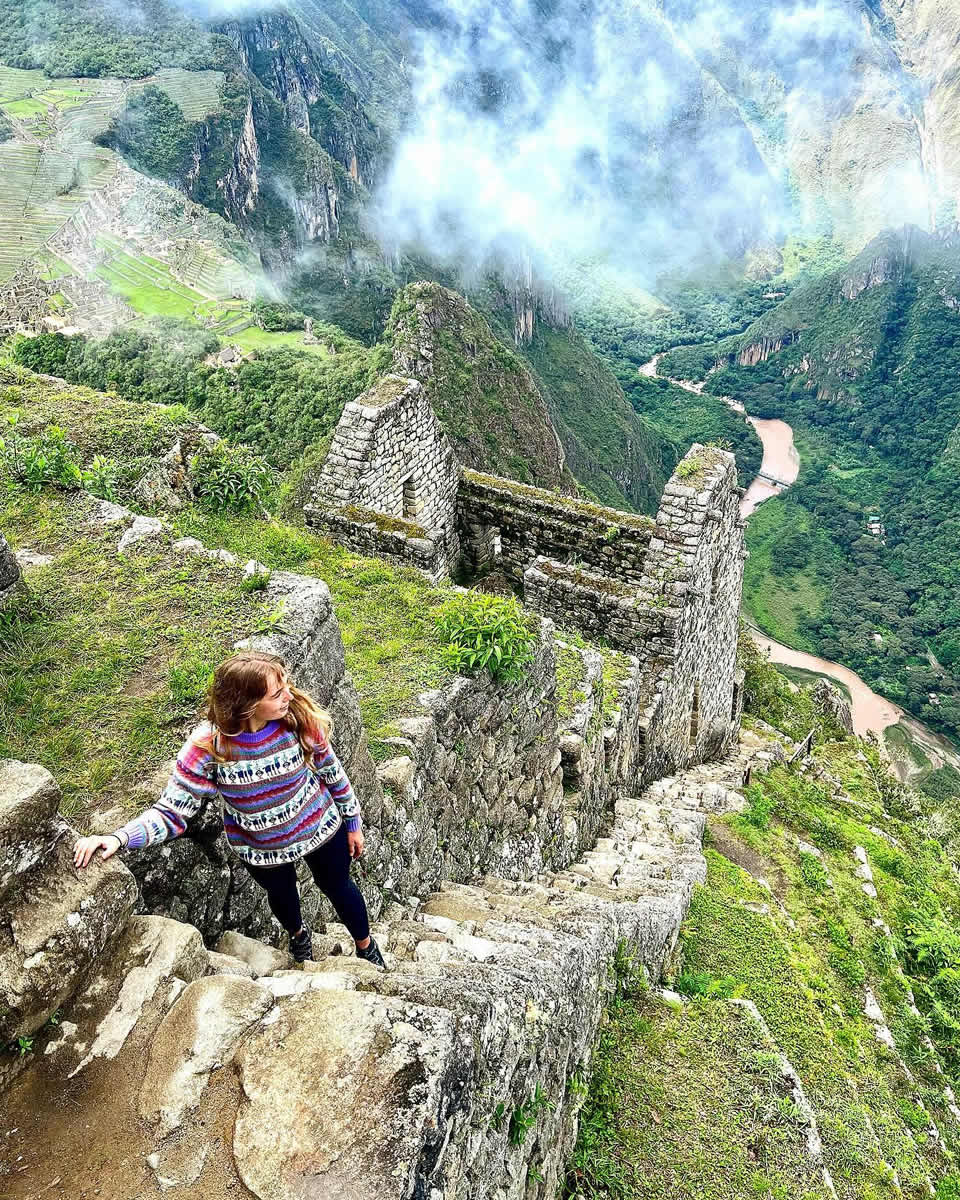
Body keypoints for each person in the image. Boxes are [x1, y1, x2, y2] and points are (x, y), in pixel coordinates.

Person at [73, 650, 385, 968]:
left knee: (339, 886)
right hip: (261, 848)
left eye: (286, 685)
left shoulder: (296, 722)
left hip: (319, 827)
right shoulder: (209, 747)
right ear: (247, 705)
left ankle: (366, 946)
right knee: (282, 895)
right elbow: (172, 811)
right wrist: (119, 838)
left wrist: (352, 820)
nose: (289, 694)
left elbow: (332, 771)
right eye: (277, 693)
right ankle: (299, 937)